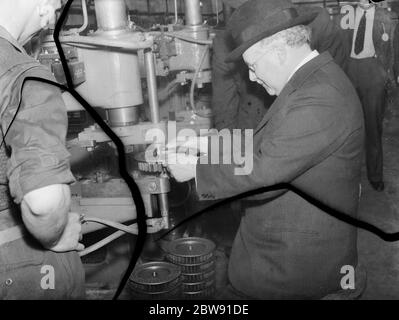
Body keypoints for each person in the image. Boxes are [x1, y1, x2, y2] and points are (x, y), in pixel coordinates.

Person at [167, 0, 364, 299]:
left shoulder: (320, 97)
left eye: (253, 66)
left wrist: (195, 172)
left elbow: (265, 174)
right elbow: (273, 144)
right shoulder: (309, 84)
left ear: (280, 51)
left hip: (296, 271)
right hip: (281, 254)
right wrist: (207, 144)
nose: (251, 78)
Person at [0, 0, 85, 299]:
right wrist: (54, 234)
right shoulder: (23, 75)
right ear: (44, 6)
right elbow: (43, 203)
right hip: (15, 263)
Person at [212, 0, 351, 131]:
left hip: (311, 124)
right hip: (253, 131)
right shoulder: (226, 42)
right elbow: (224, 109)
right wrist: (230, 149)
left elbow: (335, 87)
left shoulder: (318, 23)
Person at [339, 0, 398, 191]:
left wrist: (387, 76)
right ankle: (345, 175)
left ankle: (375, 175)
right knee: (347, 127)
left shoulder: (384, 17)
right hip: (349, 70)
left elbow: (392, 51)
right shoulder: (346, 14)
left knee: (373, 128)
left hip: (373, 72)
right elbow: (337, 45)